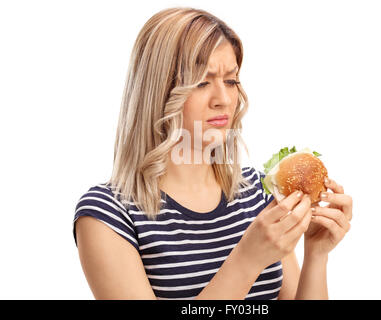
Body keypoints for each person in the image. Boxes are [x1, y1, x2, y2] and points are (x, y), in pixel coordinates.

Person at [72, 7, 353, 300]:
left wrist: (317, 255)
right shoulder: (108, 215)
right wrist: (247, 260)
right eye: (202, 82)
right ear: (159, 91)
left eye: (231, 81)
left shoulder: (256, 192)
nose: (224, 100)